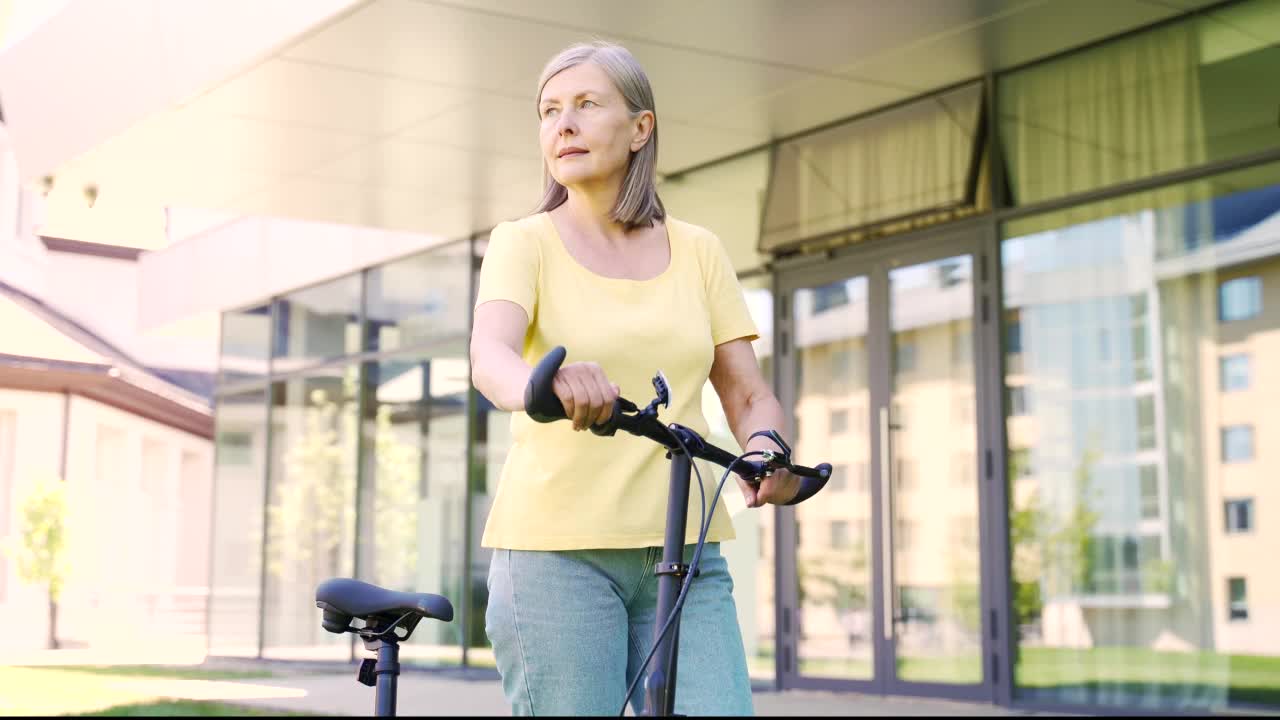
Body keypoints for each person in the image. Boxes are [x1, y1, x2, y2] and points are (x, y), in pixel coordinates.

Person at [469, 40, 800, 717]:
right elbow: (490, 359)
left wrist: (769, 450)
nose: (563, 124)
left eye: (587, 105)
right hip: (556, 557)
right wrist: (544, 385)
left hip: (685, 555)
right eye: (549, 110)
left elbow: (746, 393)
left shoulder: (699, 250)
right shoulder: (522, 242)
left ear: (641, 127)